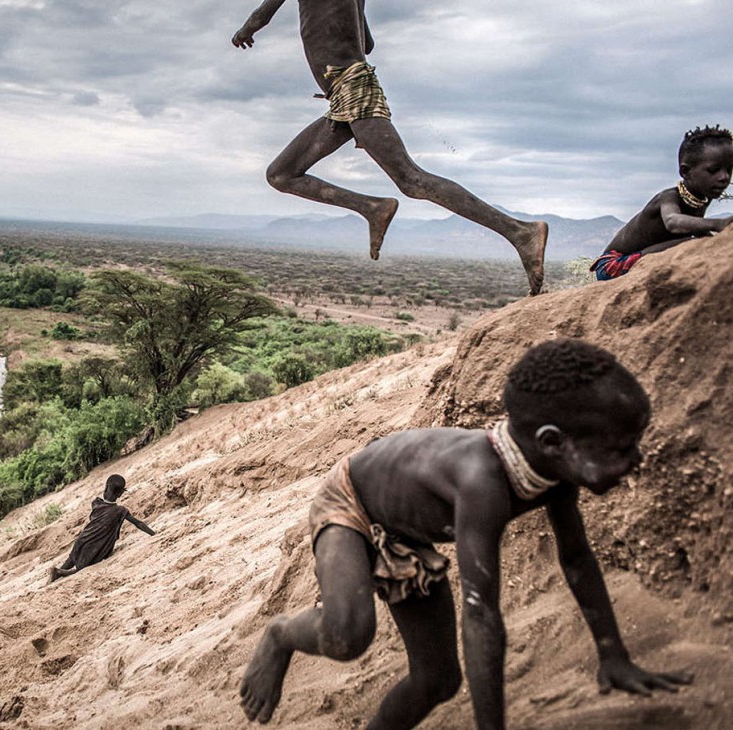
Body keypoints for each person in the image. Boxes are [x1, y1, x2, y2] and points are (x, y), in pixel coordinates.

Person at [239, 339, 692, 728]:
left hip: (407, 526)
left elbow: (576, 560)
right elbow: (481, 616)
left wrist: (614, 657)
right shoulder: (482, 484)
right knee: (348, 634)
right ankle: (281, 635)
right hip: (349, 502)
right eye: (620, 449)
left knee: (437, 680)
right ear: (552, 442)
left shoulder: (553, 476)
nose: (637, 460)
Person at [231, 0, 549, 294]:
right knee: (281, 174)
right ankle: (373, 208)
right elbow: (367, 43)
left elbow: (262, 14)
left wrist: (245, 30)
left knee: (411, 180)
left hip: (353, 88)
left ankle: (522, 232)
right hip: (344, 94)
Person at [591, 125, 732, 281]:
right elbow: (673, 222)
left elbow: (698, 231)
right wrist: (718, 224)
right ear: (685, 172)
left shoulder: (703, 198)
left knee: (699, 243)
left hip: (650, 253)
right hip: (612, 265)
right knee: (691, 243)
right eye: (713, 170)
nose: (724, 177)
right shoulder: (669, 197)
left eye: (729, 170)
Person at [50, 474, 156, 582]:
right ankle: (60, 572)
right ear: (120, 494)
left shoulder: (96, 503)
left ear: (105, 488)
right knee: (84, 568)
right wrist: (154, 534)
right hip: (97, 544)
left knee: (72, 559)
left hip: (83, 538)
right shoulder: (120, 511)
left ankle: (55, 576)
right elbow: (138, 524)